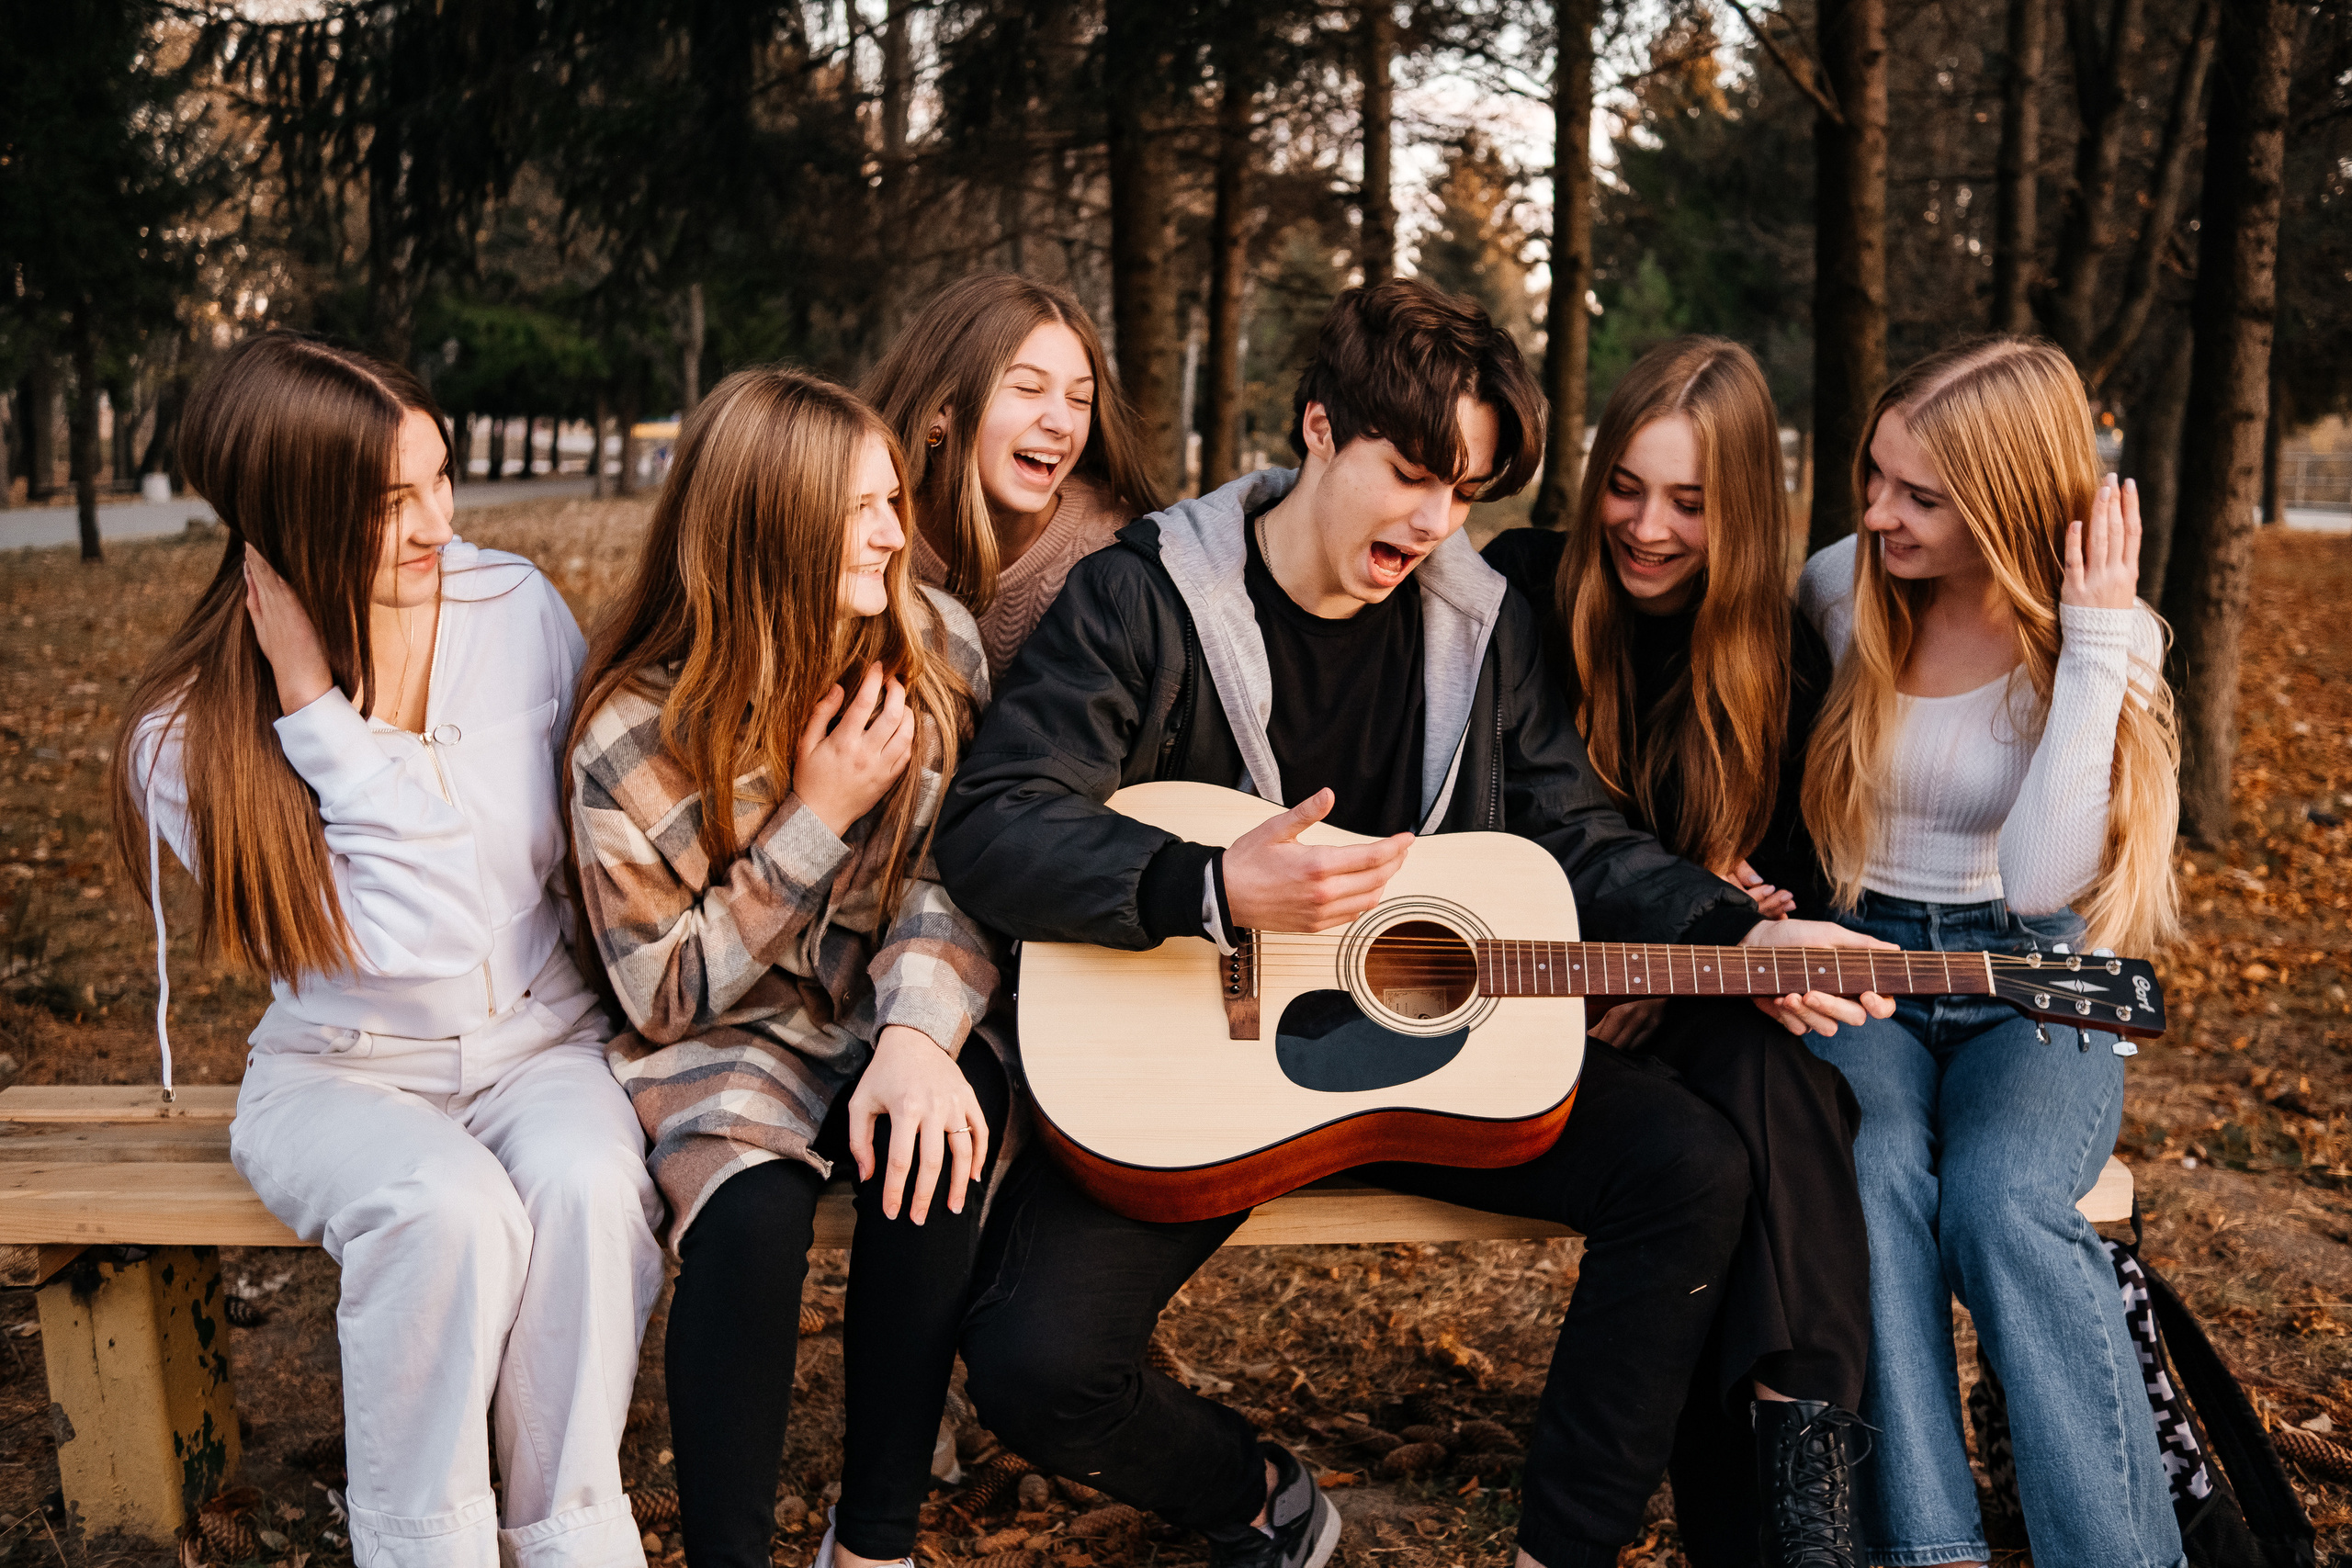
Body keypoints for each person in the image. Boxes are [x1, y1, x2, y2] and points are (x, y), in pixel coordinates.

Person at [934, 278, 1897, 1568]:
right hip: (1198, 1072)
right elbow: (996, 822)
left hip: (1416, 1063)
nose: (1436, 520)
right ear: (1319, 428)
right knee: (1034, 1360)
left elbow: (1575, 833)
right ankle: (1259, 1496)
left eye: (1466, 489)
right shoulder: (1143, 596)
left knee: (1689, 1167)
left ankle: (1559, 1549)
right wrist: (1207, 887)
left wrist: (1738, 933)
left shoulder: (1480, 624)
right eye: (1411, 474)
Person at [112, 333, 663, 1568]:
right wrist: (316, 712)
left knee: (587, 1187)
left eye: (440, 477)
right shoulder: (183, 737)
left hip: (541, 1039)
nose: (438, 523)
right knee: (448, 1211)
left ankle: (570, 1540)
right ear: (289, 515)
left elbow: (591, 833)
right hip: (340, 1073)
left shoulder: (514, 606)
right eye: (387, 502)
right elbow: (419, 930)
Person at [565, 367, 1007, 1568]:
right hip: (727, 1036)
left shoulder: (937, 651)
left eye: (892, 499)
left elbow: (956, 877)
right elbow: (661, 993)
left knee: (932, 1149)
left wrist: (916, 1035)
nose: (893, 532)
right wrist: (814, 819)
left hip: (895, 1001)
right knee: (751, 1220)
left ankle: (872, 1544)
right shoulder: (629, 731)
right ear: (767, 526)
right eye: (858, 509)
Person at [1796, 336, 2184, 1568]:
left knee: (2006, 1203)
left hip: (2041, 973)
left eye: (1919, 496)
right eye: (1875, 476)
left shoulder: (2113, 638)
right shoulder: (1839, 588)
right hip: (1865, 957)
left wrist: (2091, 645)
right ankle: (1931, 1548)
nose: (1878, 513)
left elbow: (2041, 884)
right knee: (1869, 1178)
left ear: (2007, 501)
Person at [1484, 336, 1871, 1562]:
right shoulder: (1517, 590)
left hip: (1690, 1008)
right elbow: (1499, 826)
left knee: (1769, 1072)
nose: (1647, 529)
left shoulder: (1780, 659)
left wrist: (1731, 914)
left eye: (1689, 503)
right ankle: (1793, 1499)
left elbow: (1793, 878)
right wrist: (1669, 925)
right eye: (1626, 487)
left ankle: (1800, 1457)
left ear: (1741, 507)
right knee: (1752, 1119)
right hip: (1516, 991)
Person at [865, 270, 1164, 682]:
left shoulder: (1121, 554)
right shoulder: (863, 534)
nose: (1063, 423)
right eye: (1028, 388)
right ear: (941, 408)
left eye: (1080, 398)